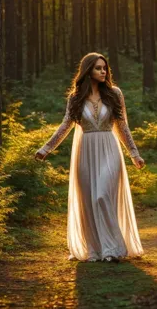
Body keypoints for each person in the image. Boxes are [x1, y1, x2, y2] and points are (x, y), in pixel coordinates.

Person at [34, 52, 145, 263]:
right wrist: (46, 148)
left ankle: (113, 248)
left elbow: (122, 127)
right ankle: (97, 249)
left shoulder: (115, 94)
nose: (103, 71)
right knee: (88, 201)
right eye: (98, 68)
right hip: (85, 152)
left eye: (104, 68)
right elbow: (66, 125)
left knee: (102, 195)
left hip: (110, 150)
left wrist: (134, 154)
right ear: (87, 71)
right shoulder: (75, 98)